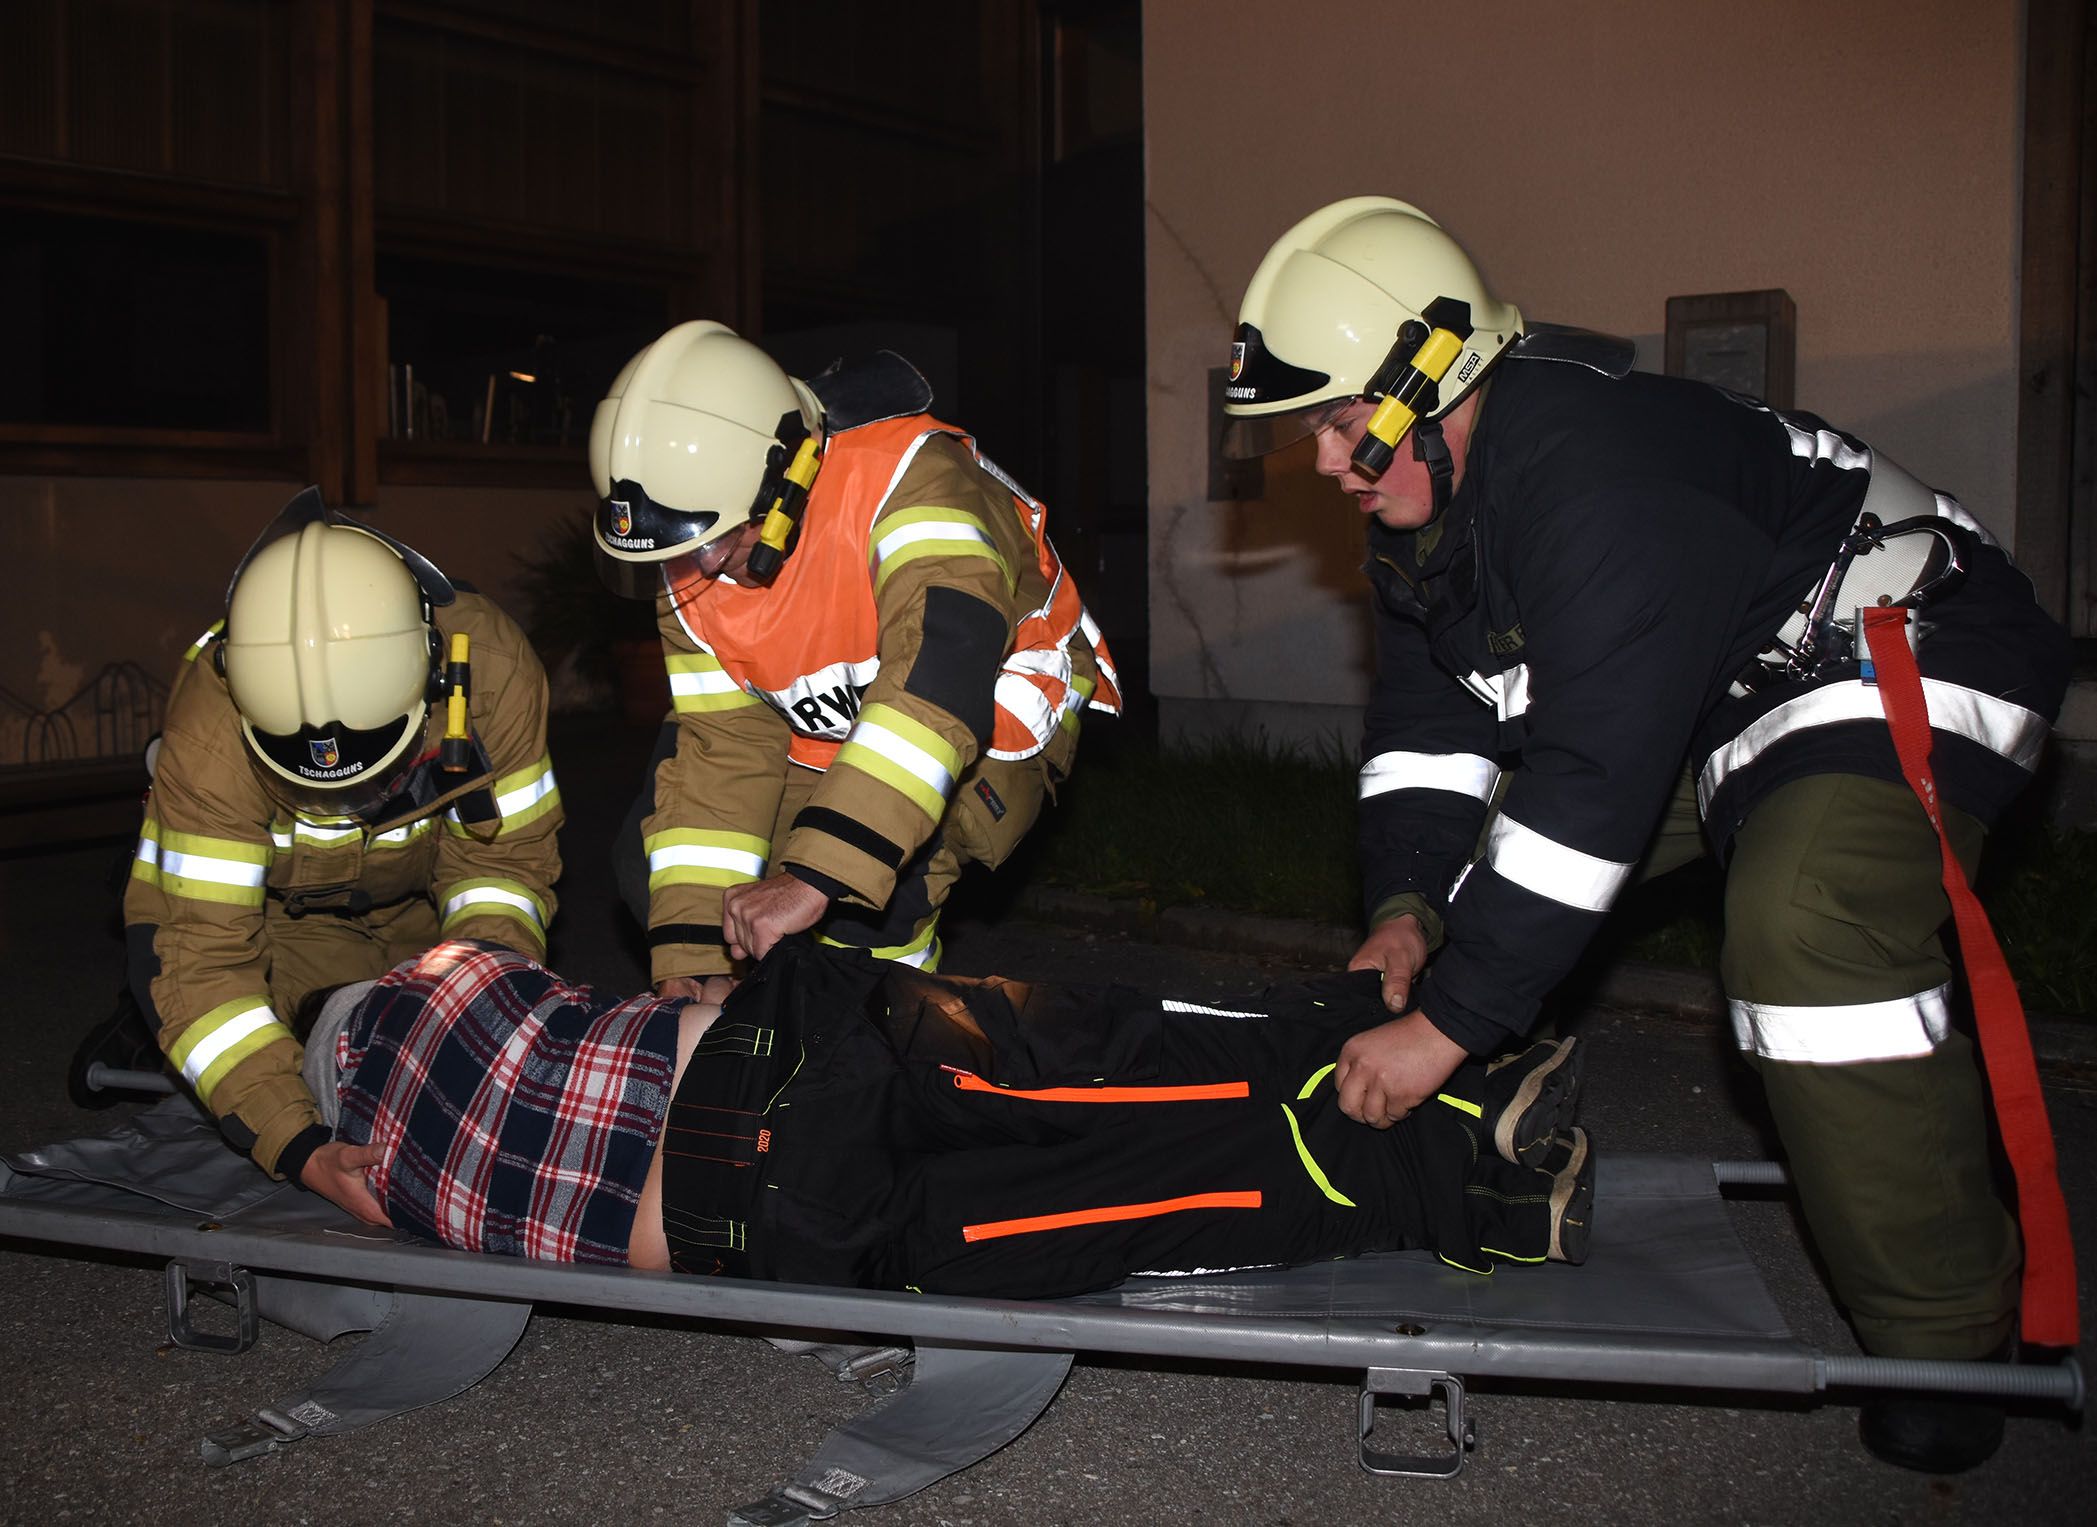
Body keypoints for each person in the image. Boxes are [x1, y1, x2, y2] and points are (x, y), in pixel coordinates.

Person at [1218, 196, 2073, 1472]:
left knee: (1805, 931)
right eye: (1315, 435)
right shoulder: (1431, 507)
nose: (1331, 465)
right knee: (1481, 884)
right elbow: (1429, 726)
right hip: (1726, 684)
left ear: (1432, 380)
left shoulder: (1596, 478)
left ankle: (1950, 1335)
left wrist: (1447, 1026)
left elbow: (1588, 791)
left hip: (1901, 652)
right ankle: (1471, 1128)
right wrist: (1406, 911)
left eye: (1344, 426)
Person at [305, 936, 1593, 1298]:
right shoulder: (448, 975)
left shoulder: (390, 1186)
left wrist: (318, 1161)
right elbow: (581, 997)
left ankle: (1476, 1198)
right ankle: (1418, 1060)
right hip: (776, 1053)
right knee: (1109, 1058)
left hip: (758, 1229)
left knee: (1123, 1209)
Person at [589, 321, 1121, 995]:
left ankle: (894, 1021)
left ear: (786, 479)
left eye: (715, 544)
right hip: (848, 713)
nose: (704, 570)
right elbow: (723, 747)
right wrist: (695, 955)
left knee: (868, 894)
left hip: (992, 692)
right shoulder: (697, 544)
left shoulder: (912, 483)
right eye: (678, 553)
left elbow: (939, 677)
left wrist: (814, 876)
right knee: (658, 870)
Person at [124, 489, 563, 1225]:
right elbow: (202, 956)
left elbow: (503, 869)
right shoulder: (212, 727)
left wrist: (481, 1004)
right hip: (279, 921)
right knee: (325, 1060)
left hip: (421, 902)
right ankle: (152, 1018)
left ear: (433, 678)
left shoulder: (489, 671)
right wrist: (300, 1147)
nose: (354, 799)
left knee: (448, 1060)